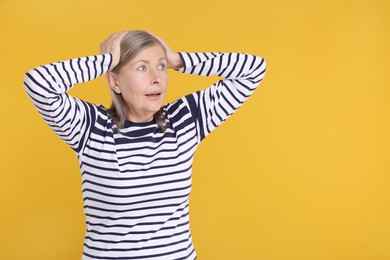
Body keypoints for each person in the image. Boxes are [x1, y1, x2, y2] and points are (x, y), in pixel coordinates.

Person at [24, 30, 266, 260]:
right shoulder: (90, 127)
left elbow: (254, 69)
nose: (157, 78)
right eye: (142, 68)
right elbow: (38, 83)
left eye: (161, 67)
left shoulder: (184, 121)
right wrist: (105, 62)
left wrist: (178, 60)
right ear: (115, 83)